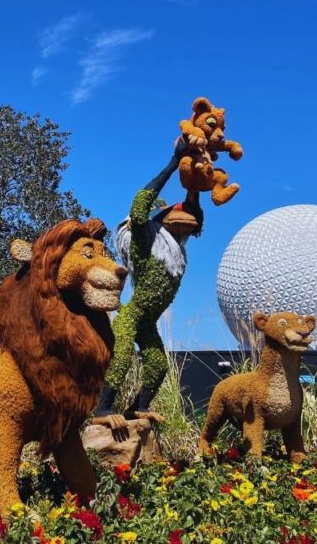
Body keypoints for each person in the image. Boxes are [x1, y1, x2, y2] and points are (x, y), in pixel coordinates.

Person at [92, 137, 204, 427]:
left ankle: (137, 409)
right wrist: (173, 162)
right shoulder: (147, 241)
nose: (183, 217)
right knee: (123, 355)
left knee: (157, 364)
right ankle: (102, 409)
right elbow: (140, 205)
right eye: (173, 213)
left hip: (148, 322)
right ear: (161, 219)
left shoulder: (177, 249)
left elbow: (195, 215)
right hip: (133, 315)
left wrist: (194, 178)